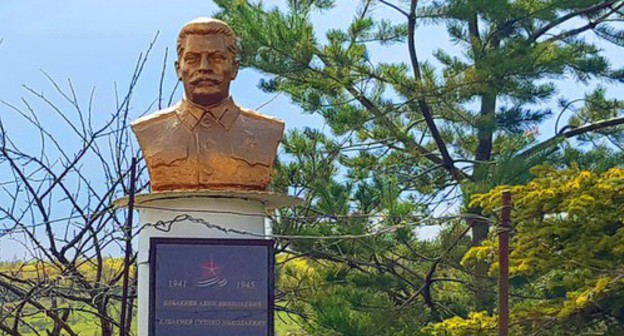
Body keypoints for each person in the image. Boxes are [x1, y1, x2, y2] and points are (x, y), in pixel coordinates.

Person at [132, 18, 284, 192]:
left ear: (234, 69)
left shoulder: (266, 131)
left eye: (217, 58)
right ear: (178, 70)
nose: (204, 67)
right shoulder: (150, 130)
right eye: (193, 59)